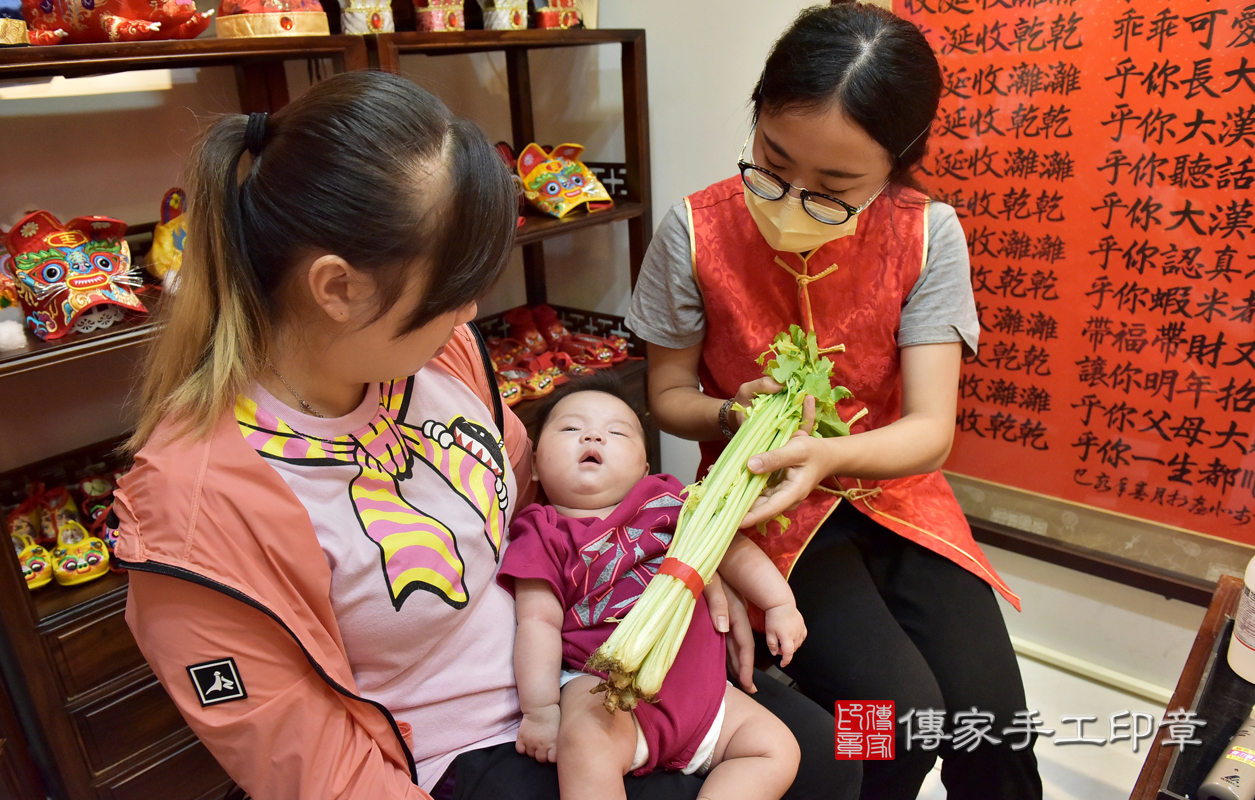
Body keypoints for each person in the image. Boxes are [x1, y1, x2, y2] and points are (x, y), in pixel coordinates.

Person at [110, 70, 859, 800]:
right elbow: (313, 766)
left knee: (835, 755)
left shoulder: (436, 357)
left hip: (592, 656)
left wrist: (677, 563)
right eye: (451, 289)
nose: (469, 313)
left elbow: (540, 505)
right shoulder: (193, 513)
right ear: (339, 288)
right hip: (468, 747)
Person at [626, 5, 1044, 800]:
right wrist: (727, 415)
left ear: (897, 162)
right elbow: (668, 396)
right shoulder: (693, 229)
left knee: (989, 715)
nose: (789, 200)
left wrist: (828, 453)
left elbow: (927, 431)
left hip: (894, 490)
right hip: (757, 510)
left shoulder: (927, 235)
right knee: (889, 715)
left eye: (834, 187)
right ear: (756, 115)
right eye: (772, 162)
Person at [499, 375, 803, 800]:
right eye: (570, 428)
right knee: (584, 744)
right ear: (533, 463)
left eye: (617, 432)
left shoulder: (665, 500)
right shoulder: (541, 531)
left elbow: (729, 546)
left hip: (706, 694)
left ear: (645, 467)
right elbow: (536, 622)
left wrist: (778, 602)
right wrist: (541, 711)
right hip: (604, 690)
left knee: (776, 749)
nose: (592, 435)